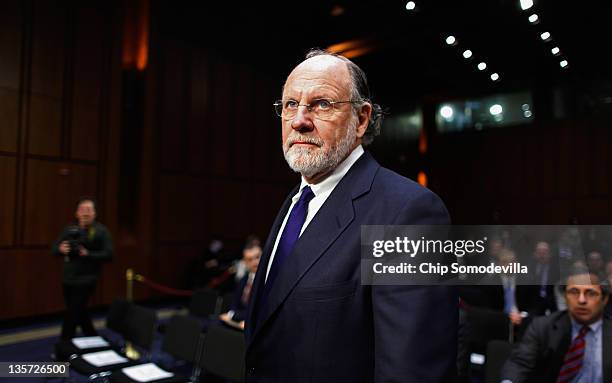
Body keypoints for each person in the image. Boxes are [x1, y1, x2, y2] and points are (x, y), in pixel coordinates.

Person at [244, 49, 457, 382]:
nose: (300, 120)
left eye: (322, 104)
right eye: (290, 105)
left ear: (361, 119)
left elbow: (411, 373)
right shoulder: (296, 201)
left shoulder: (409, 213)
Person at [500, 267, 612, 383]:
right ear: (565, 297)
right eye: (574, 292)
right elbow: (520, 363)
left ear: (604, 299)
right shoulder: (543, 326)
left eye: (591, 293)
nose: (581, 300)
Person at [51, 197, 113, 340]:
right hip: (68, 279)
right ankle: (94, 339)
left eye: (89, 210)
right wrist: (61, 249)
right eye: (82, 210)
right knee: (80, 312)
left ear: (94, 214)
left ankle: (64, 347)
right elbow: (53, 249)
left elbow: (109, 255)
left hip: (87, 279)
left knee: (72, 315)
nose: (85, 213)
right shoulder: (69, 229)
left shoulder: (101, 231)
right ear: (76, 213)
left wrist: (88, 254)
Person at [219, 242, 262, 329]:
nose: (255, 262)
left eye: (257, 257)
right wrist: (231, 314)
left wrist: (233, 315)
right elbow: (234, 303)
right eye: (250, 259)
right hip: (239, 323)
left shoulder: (267, 282)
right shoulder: (243, 280)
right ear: (245, 262)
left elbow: (259, 311)